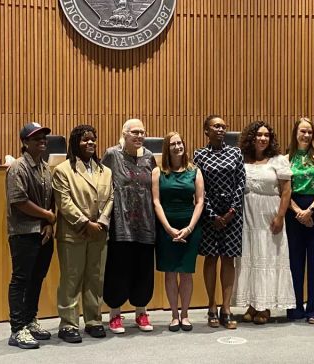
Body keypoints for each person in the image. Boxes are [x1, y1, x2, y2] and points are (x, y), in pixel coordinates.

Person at [52, 125, 114, 343]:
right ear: (74, 143)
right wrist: (86, 223)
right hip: (73, 234)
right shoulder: (62, 170)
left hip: (99, 234)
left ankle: (93, 320)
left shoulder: (105, 171)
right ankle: (68, 324)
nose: (90, 143)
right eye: (85, 140)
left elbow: (111, 199)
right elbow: (64, 202)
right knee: (71, 280)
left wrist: (102, 222)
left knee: (95, 279)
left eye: (93, 140)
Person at [232, 121, 296, 324]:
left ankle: (265, 306)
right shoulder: (242, 160)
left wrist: (280, 216)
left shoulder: (278, 160)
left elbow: (286, 191)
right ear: (251, 138)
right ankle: (252, 304)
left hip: (270, 213)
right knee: (249, 257)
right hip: (247, 214)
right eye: (259, 135)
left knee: (268, 258)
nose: (263, 138)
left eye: (266, 135)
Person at [101, 119, 157, 334]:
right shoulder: (112, 155)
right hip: (120, 223)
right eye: (135, 132)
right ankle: (115, 313)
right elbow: (102, 182)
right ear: (124, 133)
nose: (139, 136)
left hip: (145, 222)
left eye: (142, 132)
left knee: (143, 269)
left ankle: (141, 312)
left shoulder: (150, 157)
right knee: (118, 269)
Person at [5, 122, 55, 349]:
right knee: (21, 280)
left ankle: (29, 319)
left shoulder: (45, 167)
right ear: (25, 142)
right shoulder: (18, 167)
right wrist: (47, 215)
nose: (42, 140)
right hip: (23, 234)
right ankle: (17, 329)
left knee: (37, 279)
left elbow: (50, 200)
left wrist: (48, 223)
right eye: (37, 138)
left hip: (43, 234)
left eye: (44, 137)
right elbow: (19, 201)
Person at [194, 115, 246, 329]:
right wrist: (212, 214)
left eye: (223, 127)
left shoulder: (236, 153)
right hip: (209, 215)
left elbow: (241, 183)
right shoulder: (199, 155)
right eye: (216, 126)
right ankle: (211, 305)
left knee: (228, 259)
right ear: (206, 130)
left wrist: (231, 212)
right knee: (211, 257)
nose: (221, 129)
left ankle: (226, 307)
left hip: (232, 215)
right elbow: (198, 187)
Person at [152, 132, 204, 332]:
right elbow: (156, 202)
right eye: (173, 144)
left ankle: (185, 314)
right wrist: (168, 229)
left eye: (180, 143)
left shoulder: (195, 171)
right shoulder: (158, 172)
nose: (177, 147)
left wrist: (190, 228)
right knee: (170, 272)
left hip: (190, 226)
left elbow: (199, 201)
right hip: (167, 227)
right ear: (167, 148)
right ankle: (174, 315)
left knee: (186, 273)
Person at [285, 117, 314, 324]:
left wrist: (310, 211)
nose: (306, 135)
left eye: (309, 132)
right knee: (294, 262)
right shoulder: (286, 158)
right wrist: (299, 213)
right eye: (302, 131)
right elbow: (283, 191)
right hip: (293, 211)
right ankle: (294, 309)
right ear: (295, 133)